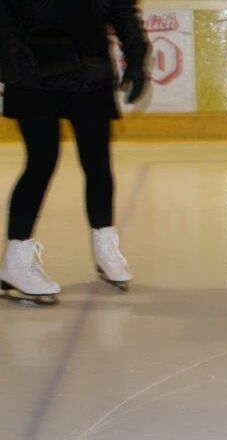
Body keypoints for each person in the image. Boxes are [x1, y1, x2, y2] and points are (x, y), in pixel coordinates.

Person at [0, 0, 149, 303]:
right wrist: (15, 64)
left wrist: (136, 57)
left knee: (97, 163)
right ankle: (15, 262)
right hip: (33, 72)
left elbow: (122, 10)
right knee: (41, 161)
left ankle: (105, 246)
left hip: (89, 71)